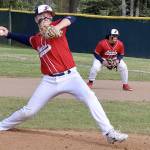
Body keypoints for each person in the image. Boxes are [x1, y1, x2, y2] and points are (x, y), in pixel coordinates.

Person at [0, 4, 128, 144]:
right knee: (29, 111)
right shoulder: (37, 39)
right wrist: (8, 34)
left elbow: (71, 18)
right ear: (36, 19)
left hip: (71, 77)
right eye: (43, 15)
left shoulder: (58, 27)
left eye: (49, 15)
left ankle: (109, 132)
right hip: (49, 81)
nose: (47, 17)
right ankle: (2, 125)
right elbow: (26, 39)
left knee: (90, 97)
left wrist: (57, 27)